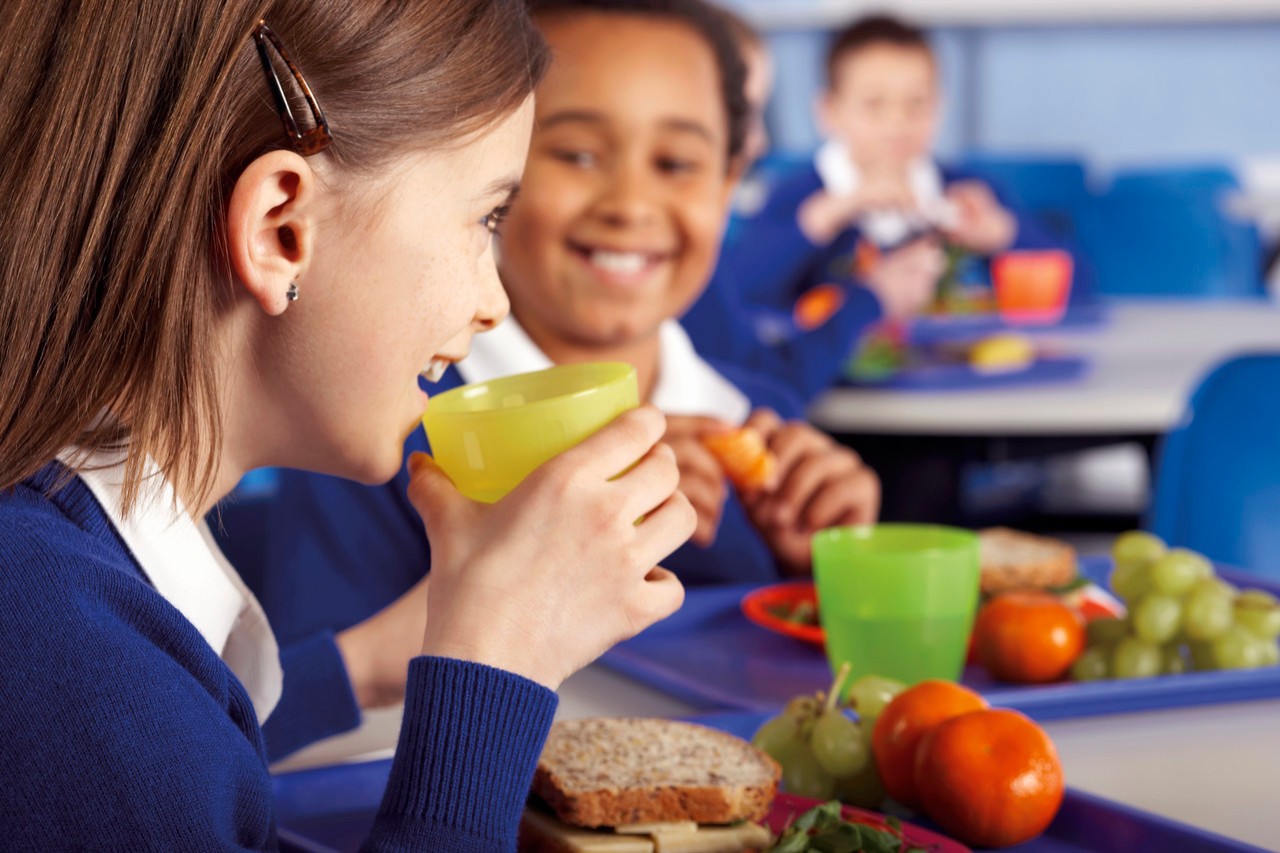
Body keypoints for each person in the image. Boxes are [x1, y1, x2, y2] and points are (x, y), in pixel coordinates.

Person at [0, 1, 695, 849]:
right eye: (484, 221)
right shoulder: (69, 664)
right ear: (280, 229)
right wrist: (493, 663)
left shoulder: (56, 580)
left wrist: (376, 660)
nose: (495, 304)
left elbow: (175, 762)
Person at [238, 0, 880, 760]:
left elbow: (823, 727)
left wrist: (814, 571)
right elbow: (277, 734)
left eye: (676, 163)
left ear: (732, 177)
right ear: (492, 167)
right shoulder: (375, 425)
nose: (630, 205)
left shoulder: (761, 416)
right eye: (575, 154)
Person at [698, 13, 1059, 401]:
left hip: (951, 399)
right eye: (874, 105)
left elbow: (1076, 288)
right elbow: (737, 292)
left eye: (916, 104)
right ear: (829, 112)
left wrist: (1003, 234)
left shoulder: (969, 193)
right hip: (836, 404)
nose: (896, 122)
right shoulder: (800, 198)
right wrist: (826, 216)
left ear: (939, 107)